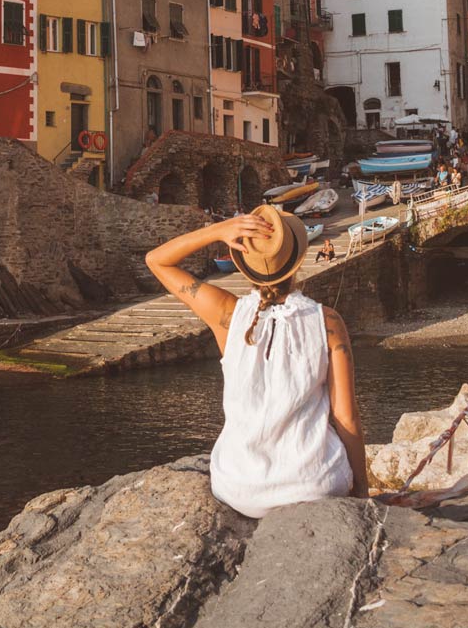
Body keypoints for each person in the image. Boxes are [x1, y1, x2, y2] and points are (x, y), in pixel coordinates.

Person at [146, 206, 367, 518]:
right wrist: (362, 492)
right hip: (314, 484)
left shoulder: (226, 314)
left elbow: (156, 260)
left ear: (243, 263)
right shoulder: (327, 321)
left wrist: (219, 230)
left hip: (239, 487)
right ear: (297, 261)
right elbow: (346, 417)